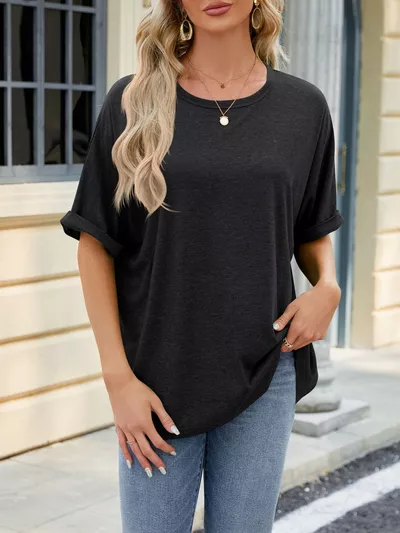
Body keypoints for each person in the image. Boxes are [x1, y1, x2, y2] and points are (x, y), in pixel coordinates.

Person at [60, 0, 344, 531]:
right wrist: (118, 380)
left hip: (266, 368)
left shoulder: (303, 107)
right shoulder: (132, 101)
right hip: (157, 377)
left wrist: (327, 285)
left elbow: (311, 226)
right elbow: (95, 245)